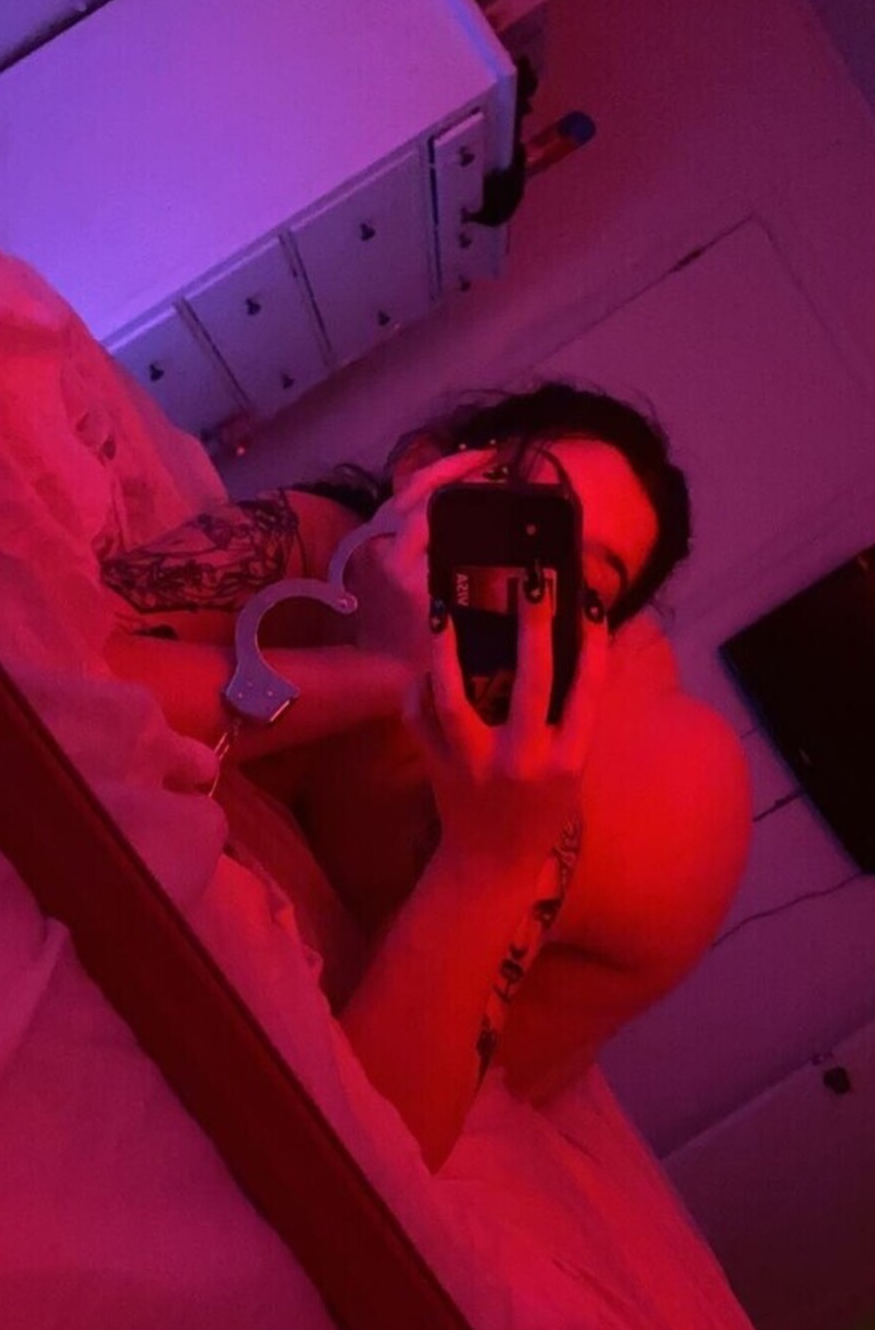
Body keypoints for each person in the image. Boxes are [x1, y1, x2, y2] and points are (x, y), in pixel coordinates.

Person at [103, 380, 752, 1169]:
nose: (524, 578)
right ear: (423, 469)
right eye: (524, 511)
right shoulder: (319, 545)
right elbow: (60, 662)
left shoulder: (521, 780)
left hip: (635, 886)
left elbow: (369, 1153)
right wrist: (376, 671)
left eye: (582, 589)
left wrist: (489, 858)